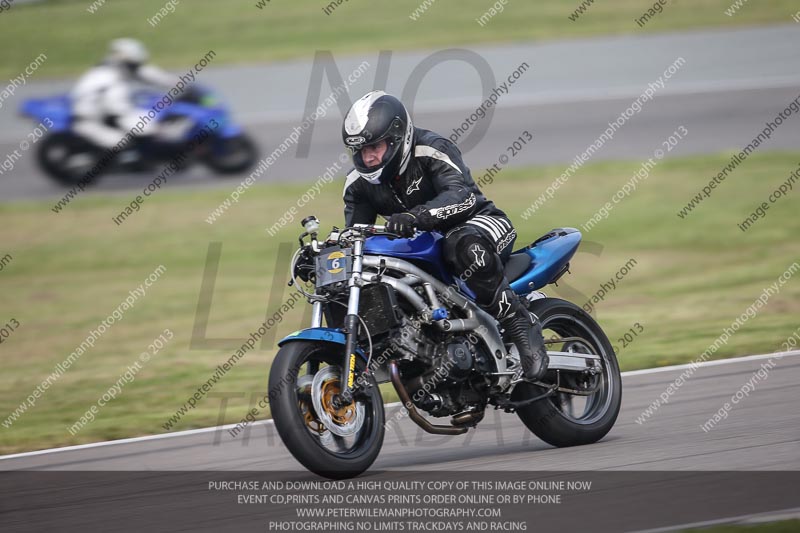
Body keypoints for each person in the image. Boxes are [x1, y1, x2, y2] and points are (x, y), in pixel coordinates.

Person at [341, 90, 548, 380]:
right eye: (362, 150)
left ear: (398, 137)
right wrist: (331, 254)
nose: (369, 157)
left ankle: (519, 322)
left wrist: (417, 216)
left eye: (375, 146)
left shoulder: (431, 149)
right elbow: (357, 236)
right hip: (426, 247)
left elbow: (460, 195)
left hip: (480, 224)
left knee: (462, 246)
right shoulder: (357, 185)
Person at [70, 38, 179, 155]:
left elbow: (147, 74)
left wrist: (176, 82)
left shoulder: (118, 69)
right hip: (90, 122)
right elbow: (117, 109)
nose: (136, 68)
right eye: (133, 65)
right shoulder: (107, 78)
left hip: (108, 117)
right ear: (124, 61)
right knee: (137, 136)